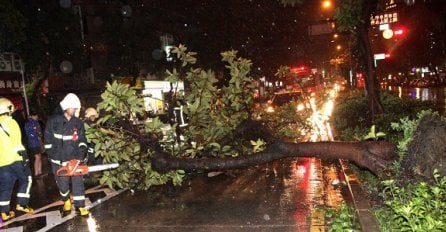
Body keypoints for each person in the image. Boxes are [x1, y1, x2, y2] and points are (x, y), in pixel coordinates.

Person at [44, 93, 89, 216]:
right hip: (58, 160)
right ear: (66, 107)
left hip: (74, 159)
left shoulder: (78, 123)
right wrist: (52, 155)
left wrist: (81, 155)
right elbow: (47, 140)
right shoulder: (54, 121)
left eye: (75, 108)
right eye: (73, 108)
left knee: (78, 183)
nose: (74, 110)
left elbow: (82, 141)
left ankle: (80, 206)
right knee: (62, 184)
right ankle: (66, 201)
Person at [0, 98, 34, 221]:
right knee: (27, 179)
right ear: (8, 108)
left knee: (5, 186)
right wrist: (25, 158)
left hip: (2, 162)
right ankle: (22, 204)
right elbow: (17, 143)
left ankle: (4, 212)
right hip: (15, 159)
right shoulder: (11, 122)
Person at [25, 110, 44, 177]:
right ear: (31, 116)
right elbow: (29, 134)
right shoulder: (29, 123)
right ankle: (36, 173)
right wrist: (37, 135)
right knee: (37, 157)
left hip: (38, 142)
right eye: (35, 115)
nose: (36, 117)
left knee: (39, 157)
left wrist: (40, 135)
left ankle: (40, 172)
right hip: (33, 143)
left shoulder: (36, 122)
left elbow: (39, 131)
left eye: (36, 115)